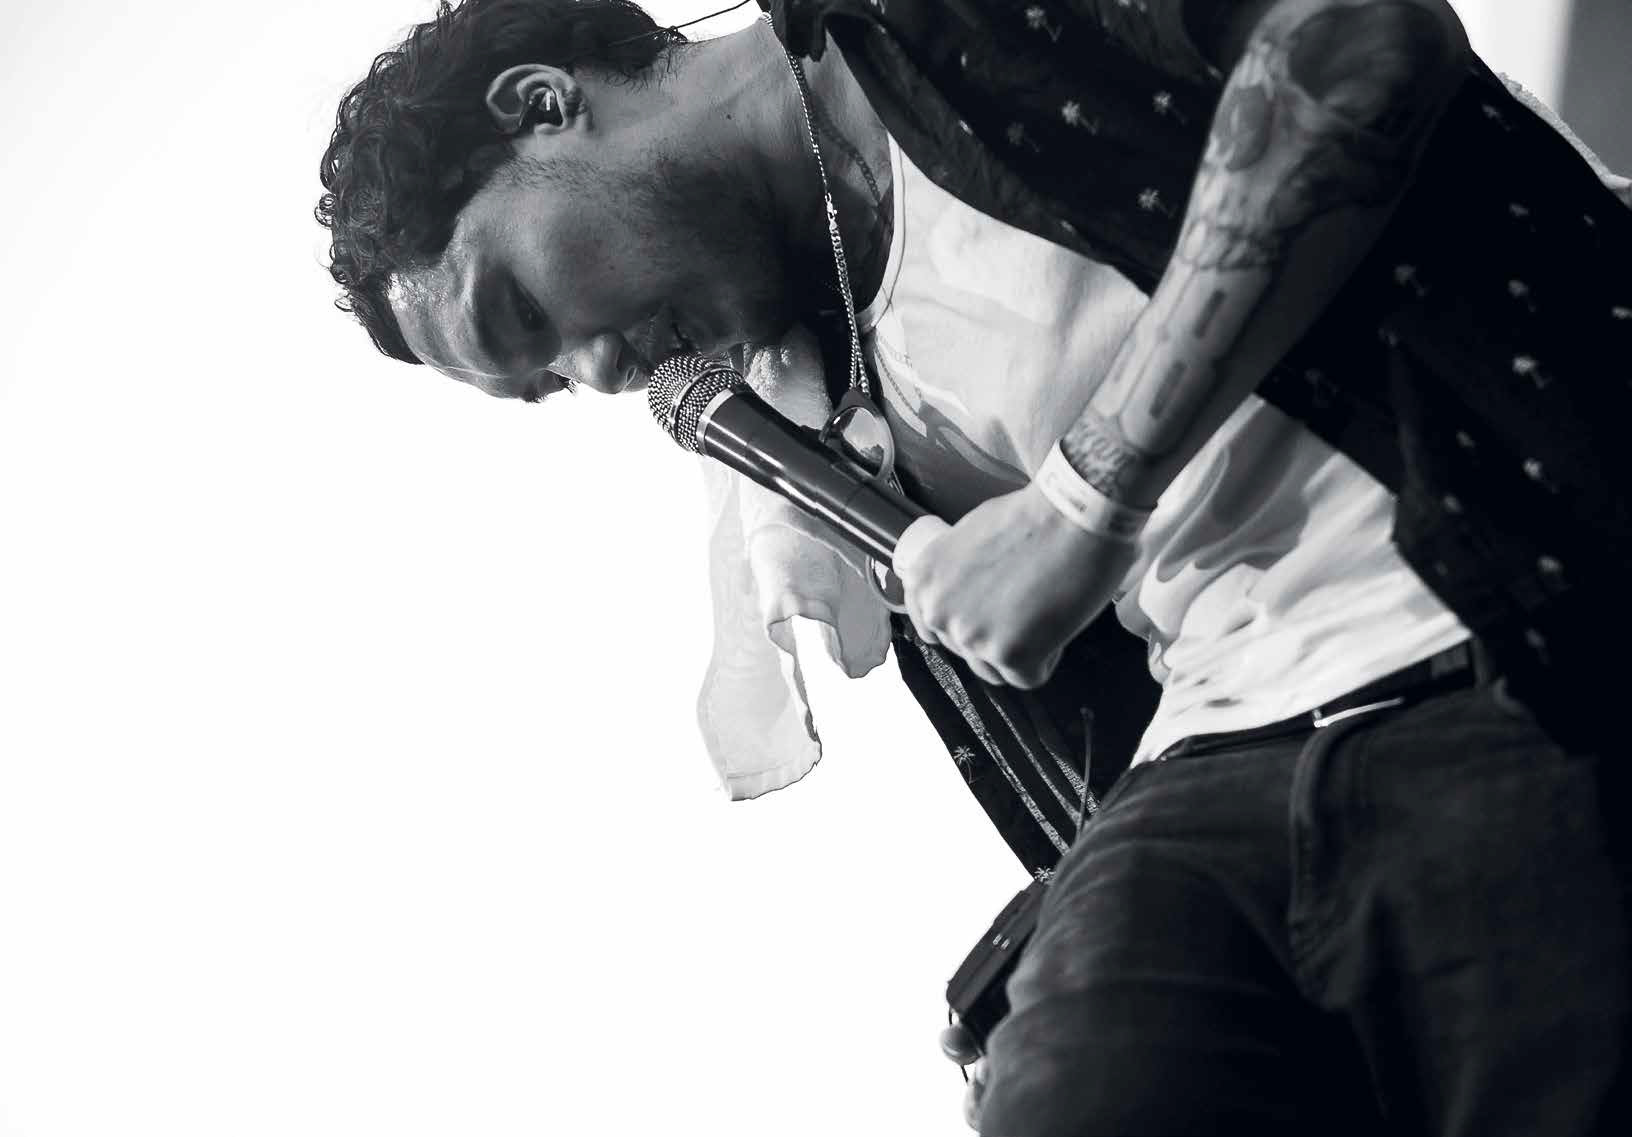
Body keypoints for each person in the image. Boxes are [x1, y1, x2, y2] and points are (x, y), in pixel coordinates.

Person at [316, 1, 1632, 1132]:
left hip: (1500, 604)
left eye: (521, 307)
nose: (599, 371)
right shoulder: (819, 380)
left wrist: (1084, 495)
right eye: (550, 381)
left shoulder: (931, 21)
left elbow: (1357, 48)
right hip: (1210, 778)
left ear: (544, 105)